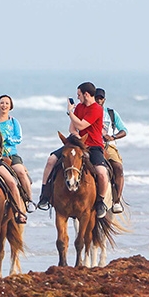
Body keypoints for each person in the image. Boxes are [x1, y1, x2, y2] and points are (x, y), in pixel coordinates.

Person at [36, 82, 112, 218]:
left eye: (79, 95)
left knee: (101, 172)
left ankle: (100, 202)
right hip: (76, 144)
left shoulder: (96, 109)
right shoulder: (79, 107)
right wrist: (76, 137)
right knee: (51, 160)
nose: (77, 98)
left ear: (86, 94)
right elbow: (72, 128)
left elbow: (82, 125)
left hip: (93, 145)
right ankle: (45, 195)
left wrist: (70, 111)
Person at [0, 95, 34, 206]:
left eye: (7, 103)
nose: (4, 105)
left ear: (11, 106)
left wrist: (6, 139)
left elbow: (19, 138)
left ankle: (28, 200)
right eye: (2, 103)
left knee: (21, 172)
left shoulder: (13, 122)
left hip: (11, 154)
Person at [95, 87, 127, 214]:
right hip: (92, 144)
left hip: (109, 145)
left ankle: (117, 201)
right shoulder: (89, 111)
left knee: (118, 168)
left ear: (104, 99)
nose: (98, 100)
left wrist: (112, 137)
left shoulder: (111, 114)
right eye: (96, 98)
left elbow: (124, 130)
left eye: (100, 98)